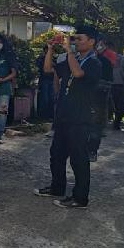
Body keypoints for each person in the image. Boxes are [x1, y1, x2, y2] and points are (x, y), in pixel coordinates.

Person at [34, 26, 102, 209]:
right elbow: (49, 69)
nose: (76, 42)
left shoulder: (93, 63)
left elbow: (78, 74)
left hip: (80, 118)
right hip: (64, 115)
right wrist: (49, 49)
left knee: (78, 158)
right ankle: (57, 187)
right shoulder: (75, 59)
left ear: (91, 42)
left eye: (80, 39)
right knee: (56, 154)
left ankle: (80, 198)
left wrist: (68, 51)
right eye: (75, 39)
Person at [36, 45, 55, 120]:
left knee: (51, 98)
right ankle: (43, 115)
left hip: (52, 79)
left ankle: (50, 115)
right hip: (44, 80)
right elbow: (39, 68)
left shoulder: (54, 59)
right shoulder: (41, 58)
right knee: (44, 98)